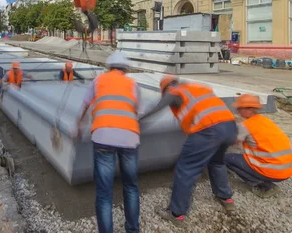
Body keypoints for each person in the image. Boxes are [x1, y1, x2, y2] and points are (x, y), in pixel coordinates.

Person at [140, 75, 238, 227]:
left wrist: (137, 120)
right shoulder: (197, 89)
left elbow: (158, 108)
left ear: (166, 88)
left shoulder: (173, 92)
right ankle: (226, 198)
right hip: (230, 127)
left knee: (186, 170)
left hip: (208, 130)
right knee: (217, 162)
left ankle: (176, 214)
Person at [74, 51, 141, 233]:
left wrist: (78, 125)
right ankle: (133, 229)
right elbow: (135, 110)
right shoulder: (132, 84)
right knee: (131, 187)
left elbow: (85, 105)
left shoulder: (98, 81)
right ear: (125, 69)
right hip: (129, 137)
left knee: (104, 193)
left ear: (109, 67)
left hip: (103, 137)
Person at [226, 94, 292, 198]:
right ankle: (263, 178)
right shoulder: (265, 121)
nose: (237, 111)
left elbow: (232, 142)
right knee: (242, 156)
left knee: (226, 158)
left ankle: (262, 185)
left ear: (250, 109)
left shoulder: (246, 126)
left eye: (239, 108)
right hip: (287, 170)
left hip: (273, 171)